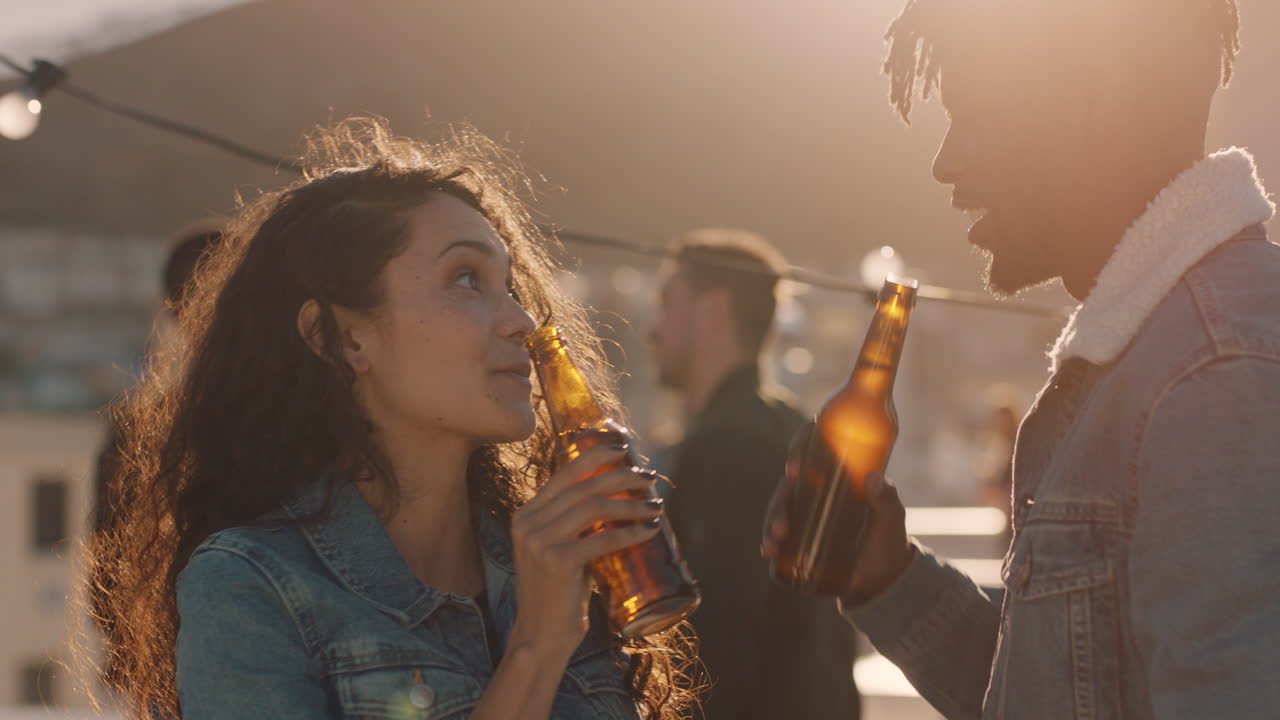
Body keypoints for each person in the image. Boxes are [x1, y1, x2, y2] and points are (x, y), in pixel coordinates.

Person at [766, 0, 1280, 717]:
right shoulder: (1155, 357)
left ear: (1103, 102)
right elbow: (1069, 689)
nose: (946, 161)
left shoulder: (1215, 378)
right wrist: (888, 579)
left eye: (974, 113)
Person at [88, 118, 699, 720]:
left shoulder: (549, 561)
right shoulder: (252, 588)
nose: (521, 321)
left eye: (510, 285)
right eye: (466, 279)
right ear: (342, 339)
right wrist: (536, 650)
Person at [648, 229, 858, 720]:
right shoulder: (794, 428)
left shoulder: (730, 446)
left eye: (667, 304)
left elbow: (718, 642)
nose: (652, 329)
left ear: (713, 311)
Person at [89, 220, 223, 690]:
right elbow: (106, 552)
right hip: (171, 668)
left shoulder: (142, 423)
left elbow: (103, 554)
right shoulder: (140, 428)